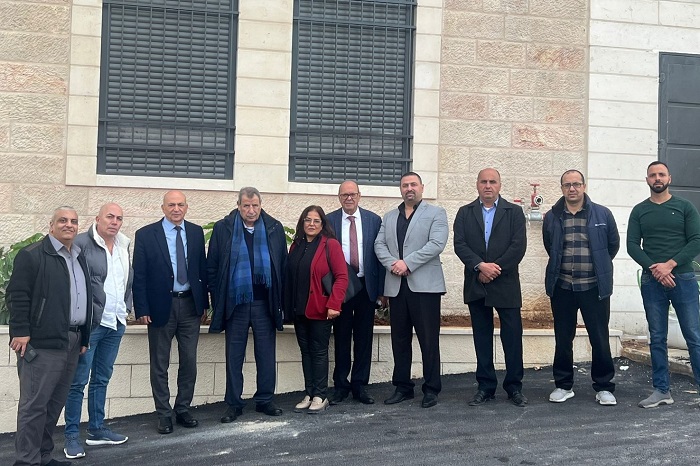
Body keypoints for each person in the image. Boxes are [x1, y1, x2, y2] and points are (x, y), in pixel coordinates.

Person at [7, 206, 92, 466]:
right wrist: (20, 331)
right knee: (34, 406)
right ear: (51, 225)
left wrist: (84, 337)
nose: (69, 225)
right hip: (42, 343)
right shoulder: (32, 255)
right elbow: (17, 294)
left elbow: (83, 298)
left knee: (54, 404)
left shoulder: (78, 256)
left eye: (74, 221)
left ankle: (43, 457)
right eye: (63, 220)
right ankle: (26, 461)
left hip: (72, 341)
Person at [207, 187, 287, 423]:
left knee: (266, 355)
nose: (251, 210)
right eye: (246, 206)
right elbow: (212, 266)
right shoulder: (224, 228)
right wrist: (216, 300)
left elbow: (283, 266)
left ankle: (265, 400)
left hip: (264, 303)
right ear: (239, 206)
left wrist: (281, 302)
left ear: (260, 205)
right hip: (236, 304)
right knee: (234, 357)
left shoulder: (274, 228)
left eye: (255, 206)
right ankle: (234, 404)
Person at [132, 191, 209, 433]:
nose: (176, 209)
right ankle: (164, 414)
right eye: (171, 205)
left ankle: (183, 409)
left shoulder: (195, 232)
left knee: (189, 361)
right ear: (163, 208)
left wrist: (204, 304)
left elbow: (202, 269)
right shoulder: (146, 234)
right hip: (159, 307)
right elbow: (139, 274)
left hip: (190, 306)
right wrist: (142, 308)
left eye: (180, 205)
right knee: (159, 364)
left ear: (186, 207)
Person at [543, 170, 619, 406]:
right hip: (563, 286)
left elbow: (612, 246)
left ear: (584, 186)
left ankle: (604, 387)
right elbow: (550, 246)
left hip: (593, 287)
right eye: (567, 185)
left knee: (599, 338)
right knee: (563, 338)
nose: (572, 188)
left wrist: (597, 267)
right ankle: (563, 385)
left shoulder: (602, 214)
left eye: (576, 184)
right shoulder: (552, 216)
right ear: (562, 188)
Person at [627, 161, 700, 408]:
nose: (657, 178)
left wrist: (669, 265)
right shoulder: (640, 210)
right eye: (652, 175)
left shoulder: (685, 207)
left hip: (683, 279)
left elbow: (696, 240)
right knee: (657, 337)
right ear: (647, 180)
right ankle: (661, 391)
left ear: (669, 178)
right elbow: (632, 245)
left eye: (661, 174)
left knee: (694, 336)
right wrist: (655, 269)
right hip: (652, 281)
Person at [63, 203, 134, 459]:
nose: (115, 222)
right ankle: (71, 435)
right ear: (97, 219)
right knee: (78, 381)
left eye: (119, 218)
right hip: (91, 325)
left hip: (115, 322)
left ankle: (96, 429)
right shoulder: (81, 243)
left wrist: (126, 309)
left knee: (101, 379)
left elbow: (127, 281)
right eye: (110, 217)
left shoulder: (124, 244)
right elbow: (72, 283)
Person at [453, 168, 528, 408]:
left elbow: (518, 247)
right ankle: (485, 387)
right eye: (484, 181)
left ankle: (514, 387)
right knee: (482, 337)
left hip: (506, 283)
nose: (488, 186)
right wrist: (480, 266)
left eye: (492, 181)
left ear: (499, 185)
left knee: (512, 337)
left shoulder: (514, 212)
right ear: (477, 184)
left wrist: (494, 270)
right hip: (477, 282)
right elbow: (460, 244)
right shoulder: (465, 213)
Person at [374, 172, 448, 408]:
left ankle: (431, 389)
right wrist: (393, 264)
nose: (409, 188)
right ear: (400, 189)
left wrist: (407, 263)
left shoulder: (436, 213)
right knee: (400, 339)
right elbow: (379, 244)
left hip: (425, 288)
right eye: (405, 185)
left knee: (428, 340)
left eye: (413, 184)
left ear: (422, 188)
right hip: (397, 287)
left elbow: (436, 244)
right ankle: (402, 387)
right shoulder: (389, 217)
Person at [284, 206, 348, 413]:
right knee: (306, 352)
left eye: (316, 220)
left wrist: (334, 304)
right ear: (302, 222)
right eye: (307, 220)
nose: (311, 224)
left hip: (321, 309)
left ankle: (321, 395)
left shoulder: (330, 245)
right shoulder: (296, 245)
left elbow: (342, 277)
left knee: (319, 352)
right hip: (299, 309)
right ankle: (310, 393)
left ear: (322, 224)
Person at [327, 181, 385, 405]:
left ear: (359, 195)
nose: (349, 198)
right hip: (341, 287)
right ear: (339, 197)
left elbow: (380, 255)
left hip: (366, 286)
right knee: (341, 337)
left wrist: (381, 291)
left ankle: (360, 385)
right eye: (344, 195)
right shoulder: (330, 220)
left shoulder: (373, 220)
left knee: (364, 337)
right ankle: (341, 385)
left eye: (352, 194)